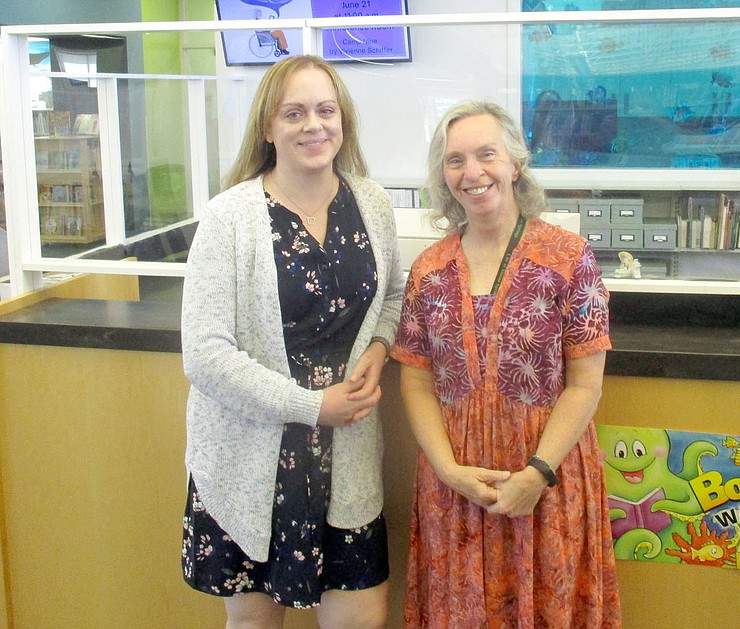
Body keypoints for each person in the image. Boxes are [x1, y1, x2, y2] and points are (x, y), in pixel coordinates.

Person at [181, 55, 404, 629]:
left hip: (347, 456)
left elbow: (394, 296)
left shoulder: (371, 203)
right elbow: (204, 353)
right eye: (295, 113)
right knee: (255, 621)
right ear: (267, 127)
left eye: (326, 111)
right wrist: (313, 407)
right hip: (250, 457)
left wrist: (378, 348)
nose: (314, 126)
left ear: (343, 120)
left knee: (361, 617)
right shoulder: (229, 217)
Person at [391, 101, 621, 628]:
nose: (472, 172)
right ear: (443, 177)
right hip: (456, 491)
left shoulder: (568, 257)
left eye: (486, 154)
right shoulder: (430, 270)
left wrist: (537, 475)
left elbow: (585, 385)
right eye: (455, 161)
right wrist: (449, 472)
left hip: (545, 482)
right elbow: (417, 380)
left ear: (515, 164)